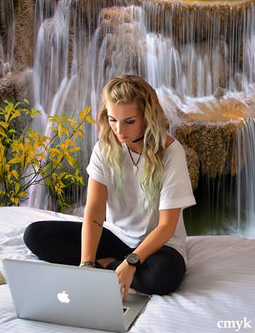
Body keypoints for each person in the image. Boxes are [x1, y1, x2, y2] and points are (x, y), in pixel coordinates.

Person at [24, 75, 196, 296]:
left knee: (161, 277)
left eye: (129, 121)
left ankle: (107, 266)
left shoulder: (172, 152)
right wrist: (86, 264)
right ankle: (103, 266)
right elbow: (94, 214)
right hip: (118, 237)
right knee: (36, 235)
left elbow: (166, 227)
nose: (119, 130)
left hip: (160, 246)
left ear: (147, 116)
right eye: (113, 119)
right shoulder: (104, 149)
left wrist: (131, 263)